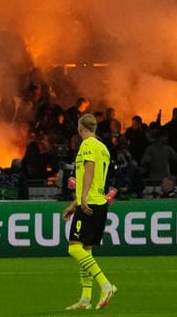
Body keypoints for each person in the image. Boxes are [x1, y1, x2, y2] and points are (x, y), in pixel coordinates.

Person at [63, 114, 117, 311]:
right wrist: (74, 203)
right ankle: (86, 299)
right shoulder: (103, 148)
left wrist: (83, 199)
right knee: (85, 250)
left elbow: (89, 171)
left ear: (80, 127)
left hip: (90, 203)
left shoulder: (87, 145)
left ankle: (106, 285)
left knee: (74, 248)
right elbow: (95, 178)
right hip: (98, 202)